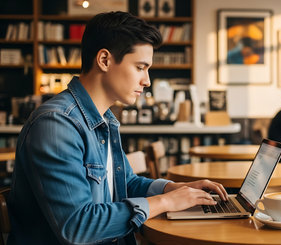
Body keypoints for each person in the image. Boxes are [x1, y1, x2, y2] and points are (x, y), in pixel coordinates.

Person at [8, 11, 227, 244]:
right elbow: (78, 226)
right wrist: (166, 202)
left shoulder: (104, 119)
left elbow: (125, 184)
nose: (147, 80)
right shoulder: (56, 124)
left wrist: (173, 189)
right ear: (104, 60)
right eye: (140, 67)